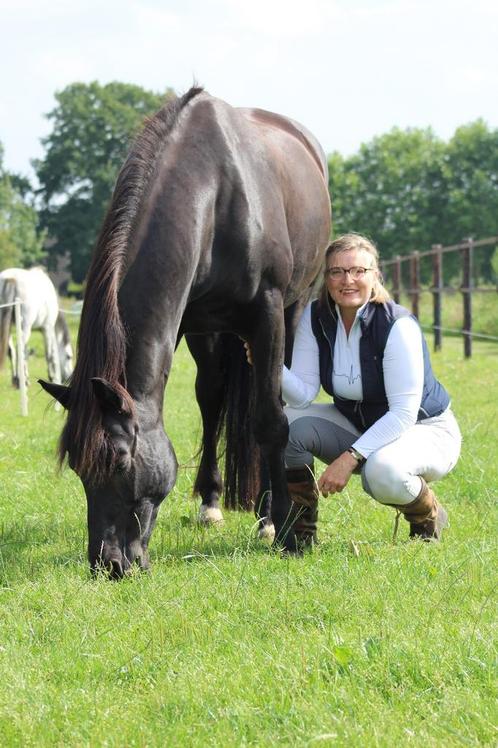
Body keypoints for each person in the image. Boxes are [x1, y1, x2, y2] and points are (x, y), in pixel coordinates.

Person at [280, 233, 462, 546]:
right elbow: (303, 394)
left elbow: (403, 414)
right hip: (362, 426)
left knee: (379, 471)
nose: (347, 280)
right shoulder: (315, 316)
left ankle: (427, 516)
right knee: (286, 421)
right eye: (336, 271)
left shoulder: (397, 325)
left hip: (424, 429)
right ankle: (301, 534)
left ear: (375, 274)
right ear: (327, 278)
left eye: (358, 271)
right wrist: (271, 365)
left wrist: (348, 458)